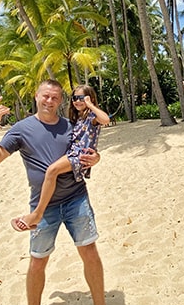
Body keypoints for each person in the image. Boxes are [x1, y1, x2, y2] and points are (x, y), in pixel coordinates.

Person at [0, 80, 127, 305]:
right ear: (36, 97)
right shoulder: (23, 128)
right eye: (45, 96)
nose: (49, 101)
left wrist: (96, 159)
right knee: (38, 262)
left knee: (90, 253)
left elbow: (87, 148)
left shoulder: (69, 126)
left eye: (55, 97)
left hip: (76, 199)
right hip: (43, 206)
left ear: (61, 100)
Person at [10, 84, 110, 232]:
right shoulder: (78, 118)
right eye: (74, 98)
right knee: (53, 173)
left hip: (79, 155)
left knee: (51, 171)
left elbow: (106, 119)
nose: (77, 101)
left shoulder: (91, 116)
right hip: (74, 153)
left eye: (81, 98)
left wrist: (90, 105)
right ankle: (42, 213)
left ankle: (37, 215)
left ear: (90, 98)